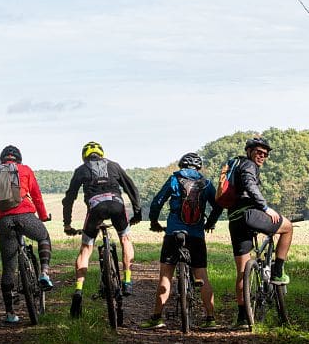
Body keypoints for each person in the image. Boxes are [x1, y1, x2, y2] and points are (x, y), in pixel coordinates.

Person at [140, 152, 223, 330]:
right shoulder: (206, 183)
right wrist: (210, 223)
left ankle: (156, 318)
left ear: (181, 165)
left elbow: (157, 202)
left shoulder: (174, 180)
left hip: (173, 232)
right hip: (196, 235)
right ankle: (210, 319)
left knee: (165, 276)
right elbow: (218, 206)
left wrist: (154, 221)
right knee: (201, 275)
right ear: (198, 167)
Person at [62, 141, 142, 318]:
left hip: (96, 208)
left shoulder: (81, 170)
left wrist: (67, 224)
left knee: (86, 248)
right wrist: (137, 213)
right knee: (125, 239)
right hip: (116, 205)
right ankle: (127, 280)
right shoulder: (114, 165)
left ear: (85, 156)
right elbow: (132, 188)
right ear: (101, 153)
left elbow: (69, 198)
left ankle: (78, 290)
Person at [228, 137, 294, 330]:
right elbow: (250, 185)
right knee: (288, 227)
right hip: (250, 215)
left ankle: (242, 318)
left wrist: (213, 220)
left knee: (242, 272)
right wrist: (265, 208)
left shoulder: (235, 165)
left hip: (234, 220)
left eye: (265, 154)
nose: (262, 156)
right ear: (249, 151)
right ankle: (278, 271)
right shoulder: (248, 165)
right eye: (258, 152)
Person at [0, 145, 52, 324]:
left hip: (5, 221)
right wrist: (43, 216)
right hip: (26, 217)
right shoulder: (25, 170)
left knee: (8, 267)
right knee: (44, 237)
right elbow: (36, 195)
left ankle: (10, 313)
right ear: (19, 158)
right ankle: (44, 272)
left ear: (2, 159)